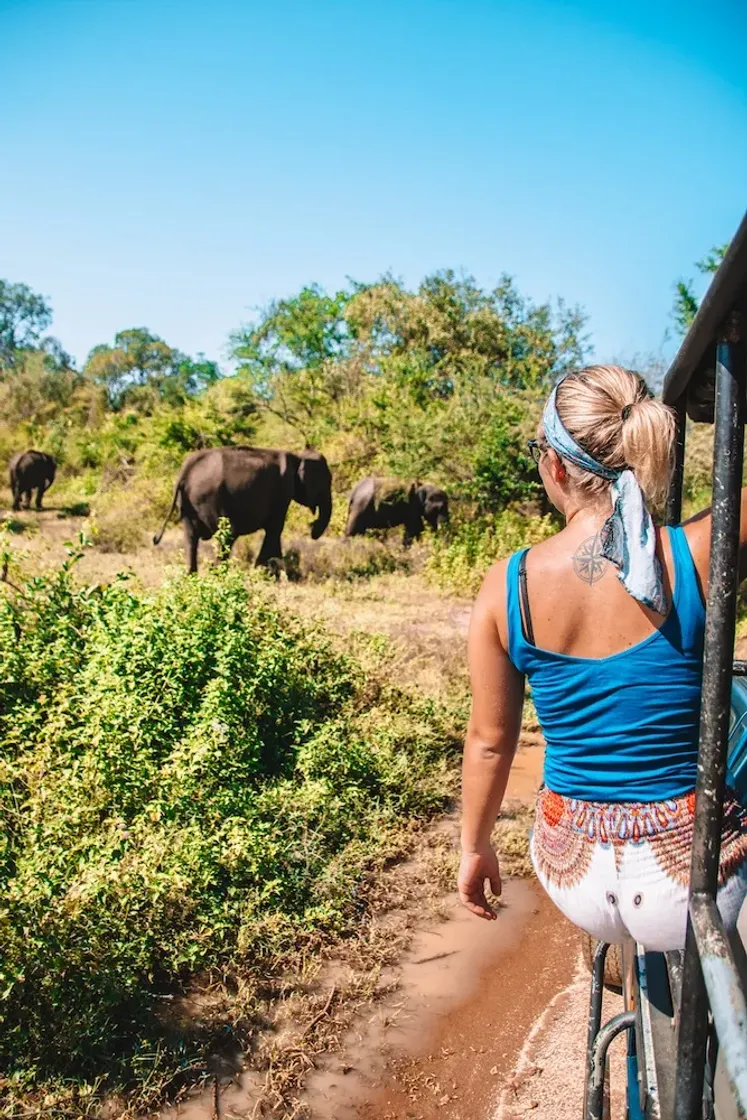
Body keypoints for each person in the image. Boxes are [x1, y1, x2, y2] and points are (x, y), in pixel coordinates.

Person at [459, 364, 747, 952]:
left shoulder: (506, 585)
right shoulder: (695, 550)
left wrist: (474, 847)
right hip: (691, 877)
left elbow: (490, 742)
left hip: (574, 870)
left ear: (556, 465)